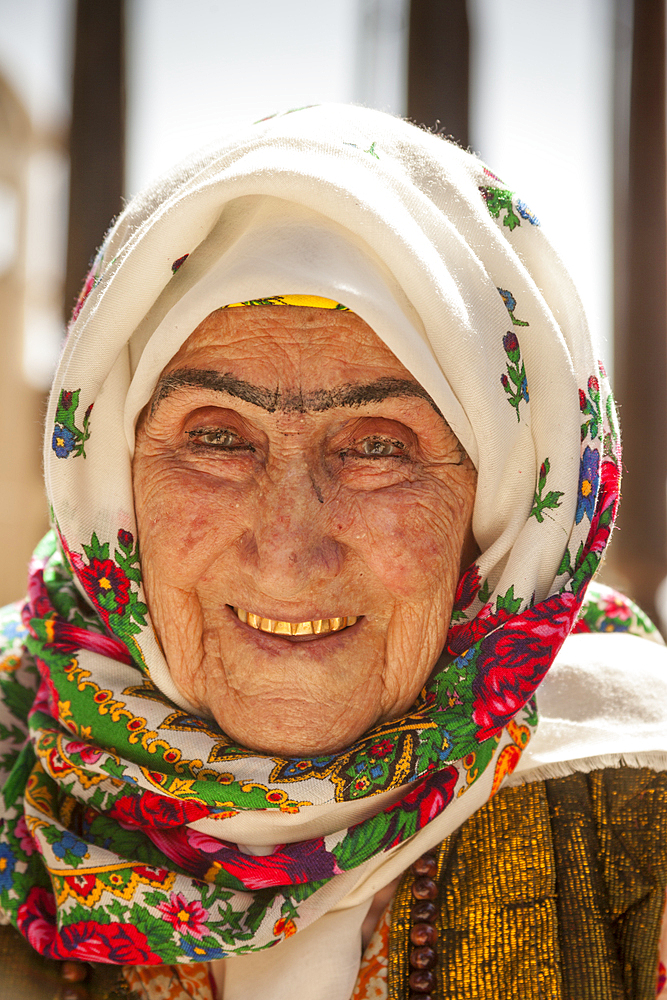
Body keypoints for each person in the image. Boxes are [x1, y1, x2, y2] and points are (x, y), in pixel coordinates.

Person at [0, 104, 665, 1000]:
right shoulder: (18, 749)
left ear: (509, 503)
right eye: (216, 437)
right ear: (113, 479)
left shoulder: (637, 803)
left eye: (378, 446)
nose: (286, 550)